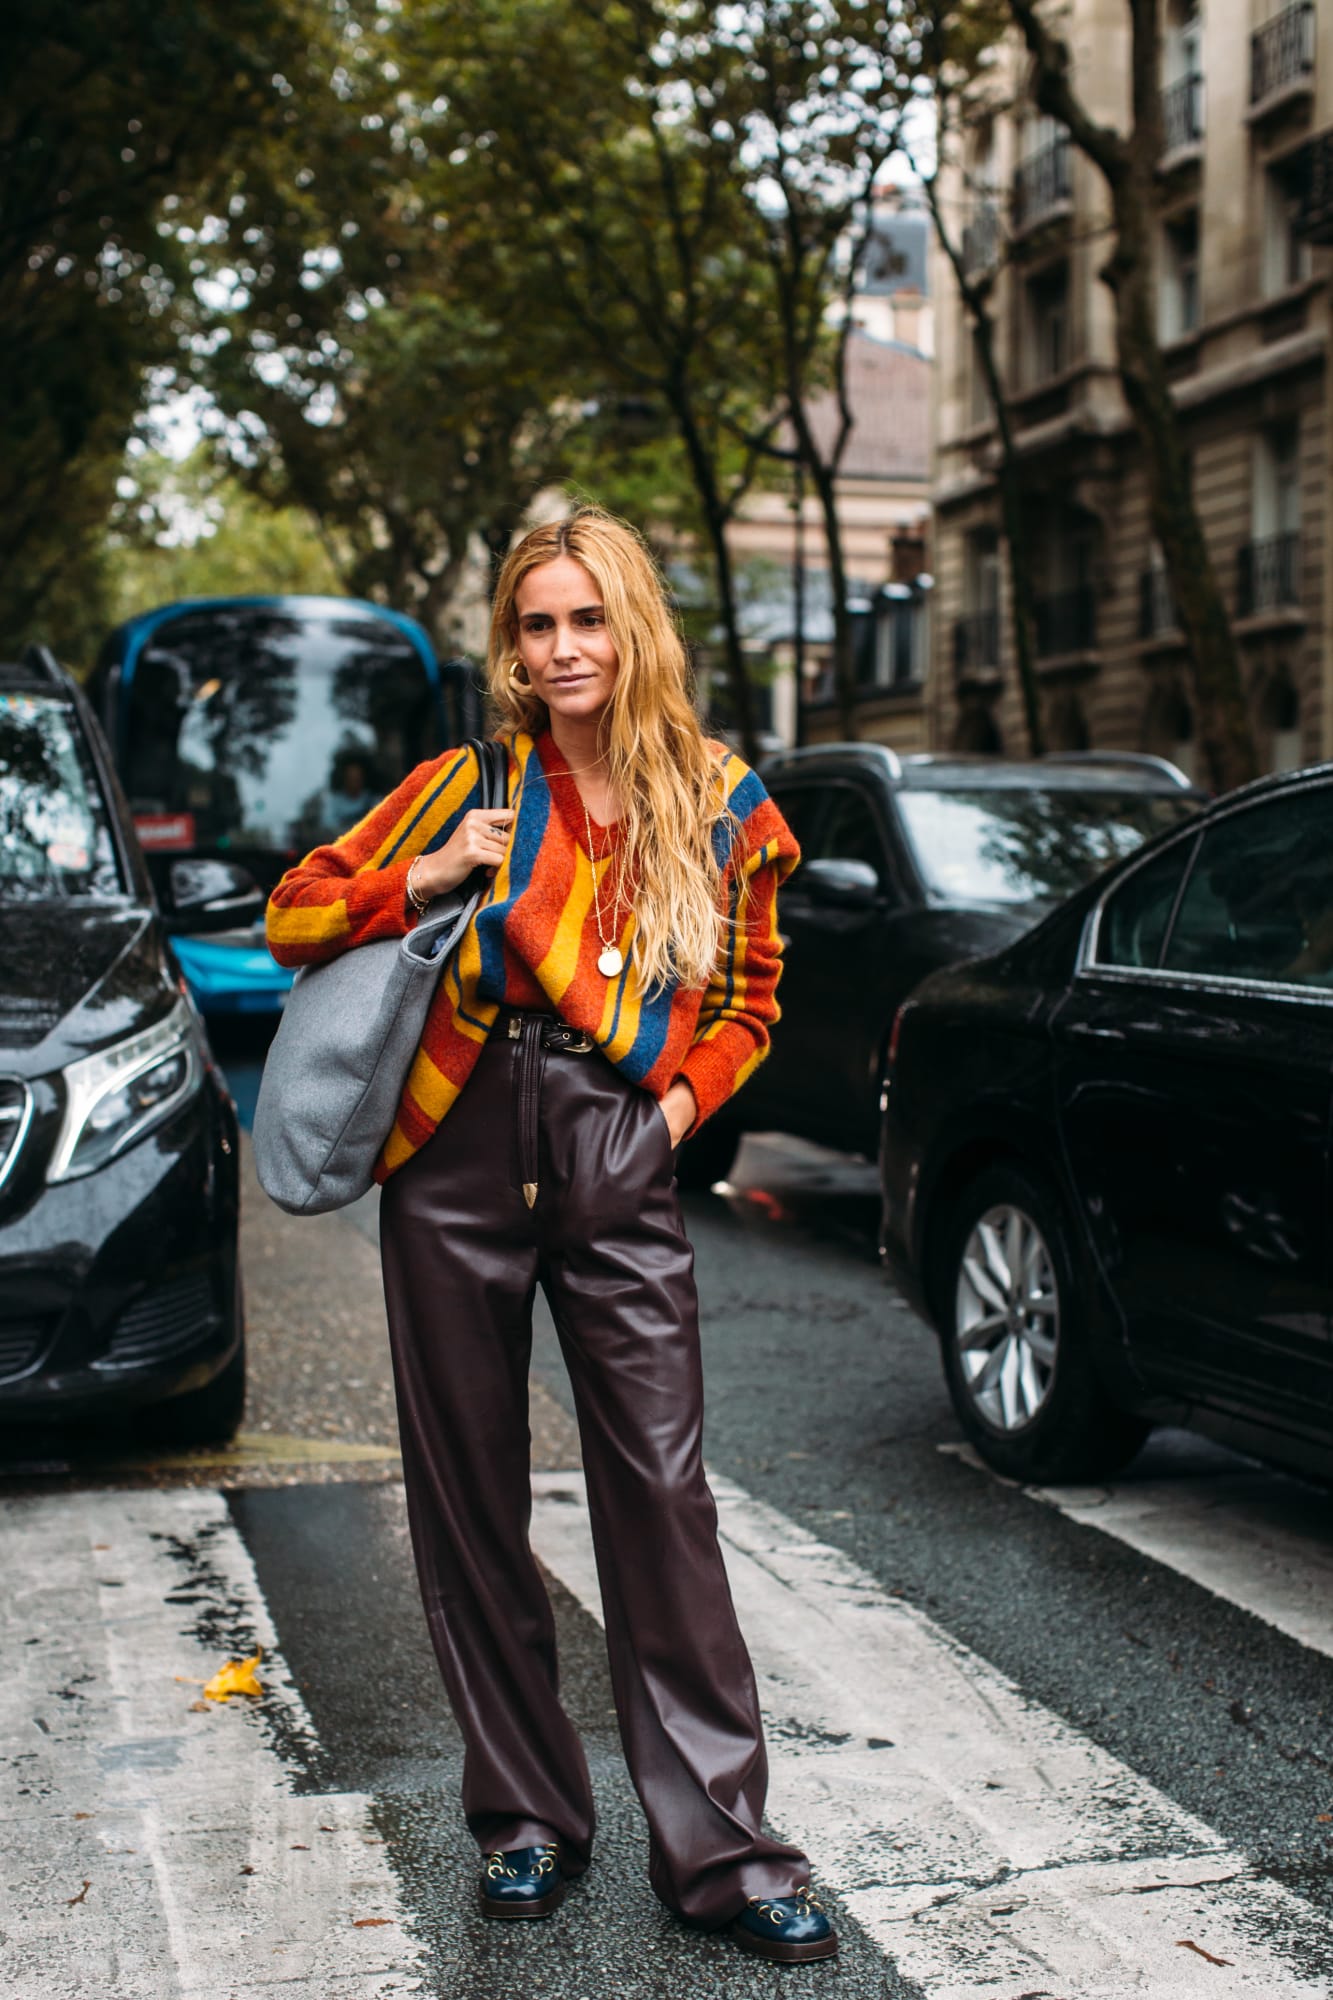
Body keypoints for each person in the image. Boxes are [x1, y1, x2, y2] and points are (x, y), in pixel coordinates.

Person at [265, 508, 835, 1964]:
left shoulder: (716, 799)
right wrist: (438, 874)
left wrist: (669, 1118)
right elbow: (293, 914)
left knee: (661, 1486)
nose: (563, 649)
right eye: (537, 625)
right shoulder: (468, 782)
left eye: (586, 620)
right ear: (510, 645)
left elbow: (753, 995)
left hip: (612, 1141)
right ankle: (525, 1818)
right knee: (467, 1495)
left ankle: (723, 1850)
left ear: (630, 626)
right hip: (451, 1150)